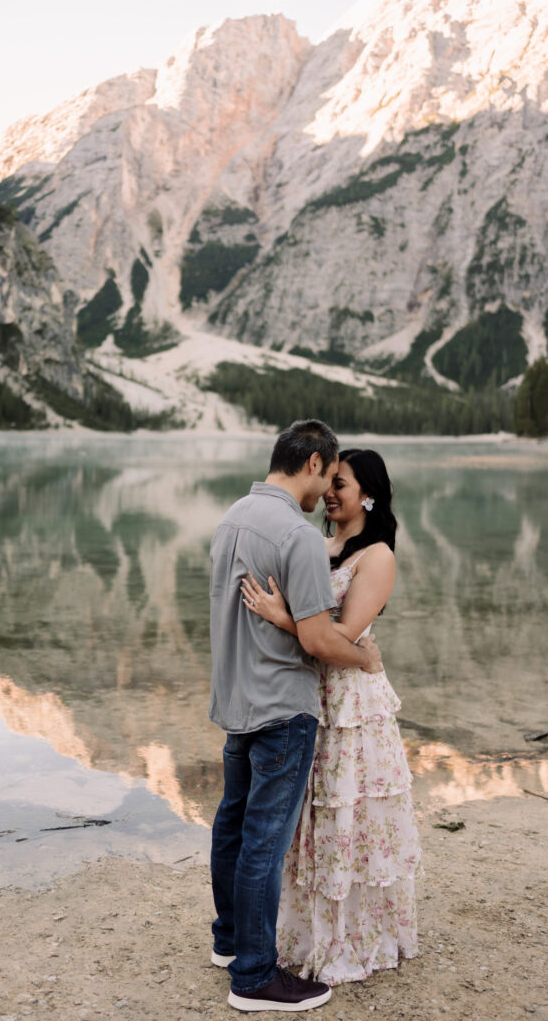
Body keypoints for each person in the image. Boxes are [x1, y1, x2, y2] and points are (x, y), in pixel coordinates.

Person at [209, 421, 383, 1013]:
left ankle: (230, 943)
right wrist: (365, 656)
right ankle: (254, 977)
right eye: (328, 475)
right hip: (283, 707)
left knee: (232, 825)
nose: (327, 492)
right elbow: (320, 642)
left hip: (235, 701)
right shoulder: (298, 535)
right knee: (264, 842)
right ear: (313, 462)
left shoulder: (231, 517)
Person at [240, 448, 421, 987]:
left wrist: (282, 617)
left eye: (339, 483)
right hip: (310, 693)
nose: (328, 492)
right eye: (329, 481)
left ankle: (356, 938)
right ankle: (305, 934)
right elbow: (319, 629)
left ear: (366, 493)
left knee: (349, 815)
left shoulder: (378, 556)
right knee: (312, 816)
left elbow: (340, 636)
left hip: (353, 703)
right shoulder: (319, 546)